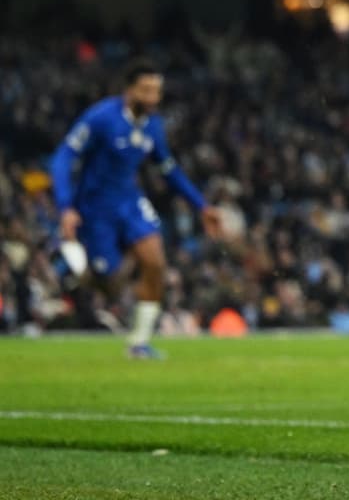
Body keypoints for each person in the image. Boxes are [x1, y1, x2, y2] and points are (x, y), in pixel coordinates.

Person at [49, 59, 221, 359]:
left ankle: (139, 343)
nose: (153, 97)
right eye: (146, 90)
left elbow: (168, 169)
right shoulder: (101, 118)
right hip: (95, 208)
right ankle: (75, 268)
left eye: (157, 91)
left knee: (156, 262)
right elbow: (63, 157)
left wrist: (201, 206)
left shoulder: (153, 125)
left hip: (129, 201)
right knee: (110, 283)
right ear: (129, 91)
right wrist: (66, 207)